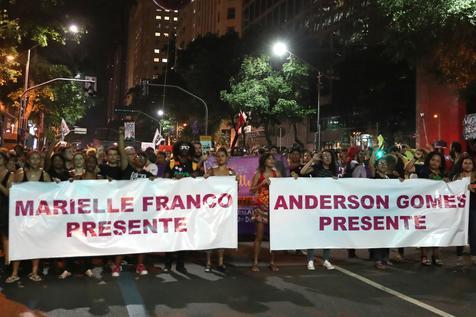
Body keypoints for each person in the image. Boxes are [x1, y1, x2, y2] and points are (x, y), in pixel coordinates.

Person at [6, 151, 52, 283]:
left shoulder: (45, 175)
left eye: (38, 159)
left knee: (36, 242)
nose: (35, 161)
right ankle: (14, 273)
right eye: (33, 158)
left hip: (39, 214)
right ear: (28, 160)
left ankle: (34, 271)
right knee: (19, 241)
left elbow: (51, 193)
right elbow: (12, 191)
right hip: (22, 215)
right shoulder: (20, 174)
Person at [163, 141, 201, 273]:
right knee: (171, 234)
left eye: (187, 148)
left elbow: (200, 184)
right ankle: (168, 263)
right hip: (173, 205)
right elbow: (165, 181)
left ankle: (180, 264)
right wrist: (174, 179)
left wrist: (194, 177)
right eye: (182, 148)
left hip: (187, 206)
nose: (184, 150)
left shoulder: (195, 165)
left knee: (183, 234)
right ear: (177, 150)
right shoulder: (171, 163)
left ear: (189, 150)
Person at [300, 150, 337, 270]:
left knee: (327, 234)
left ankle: (326, 259)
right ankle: (310, 260)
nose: (326, 157)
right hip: (316, 206)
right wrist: (312, 160)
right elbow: (302, 172)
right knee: (314, 233)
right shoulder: (316, 168)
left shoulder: (334, 170)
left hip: (329, 206)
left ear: (332, 158)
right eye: (324, 156)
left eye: (328, 156)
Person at [203, 148, 236, 272]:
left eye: (222, 155)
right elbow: (204, 187)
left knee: (222, 235)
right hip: (212, 209)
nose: (220, 158)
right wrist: (205, 178)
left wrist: (236, 183)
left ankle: (221, 262)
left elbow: (234, 192)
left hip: (225, 210)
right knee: (210, 234)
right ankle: (208, 262)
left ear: (227, 157)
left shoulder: (232, 173)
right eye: (218, 156)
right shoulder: (211, 171)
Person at [250, 152, 281, 272]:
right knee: (259, 236)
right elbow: (251, 190)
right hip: (260, 207)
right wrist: (261, 184)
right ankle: (255, 262)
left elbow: (284, 187)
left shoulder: (276, 174)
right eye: (269, 159)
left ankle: (272, 262)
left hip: (273, 207)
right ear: (264, 161)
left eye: (273, 159)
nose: (272, 160)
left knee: (274, 237)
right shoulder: (259, 174)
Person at [415, 151, 446, 266]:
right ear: (429, 160)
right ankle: (424, 255)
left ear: (441, 164)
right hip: (424, 206)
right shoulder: (422, 170)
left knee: (437, 230)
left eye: (437, 161)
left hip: (438, 207)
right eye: (433, 159)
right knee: (425, 231)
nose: (434, 162)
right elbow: (408, 169)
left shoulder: (444, 174)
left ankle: (436, 255)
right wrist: (415, 157)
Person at [452, 155, 476, 266]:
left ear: (473, 165)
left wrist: (471, 187)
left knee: (473, 231)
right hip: (460, 209)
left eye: (470, 163)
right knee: (460, 231)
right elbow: (451, 189)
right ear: (461, 164)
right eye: (465, 163)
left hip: (473, 208)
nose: (467, 165)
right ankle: (459, 256)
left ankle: (473, 255)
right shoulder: (457, 176)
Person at [0, 152, 13, 269]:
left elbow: (8, 193)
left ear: (5, 160)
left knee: (5, 235)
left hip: (4, 207)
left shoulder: (10, 175)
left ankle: (7, 261)